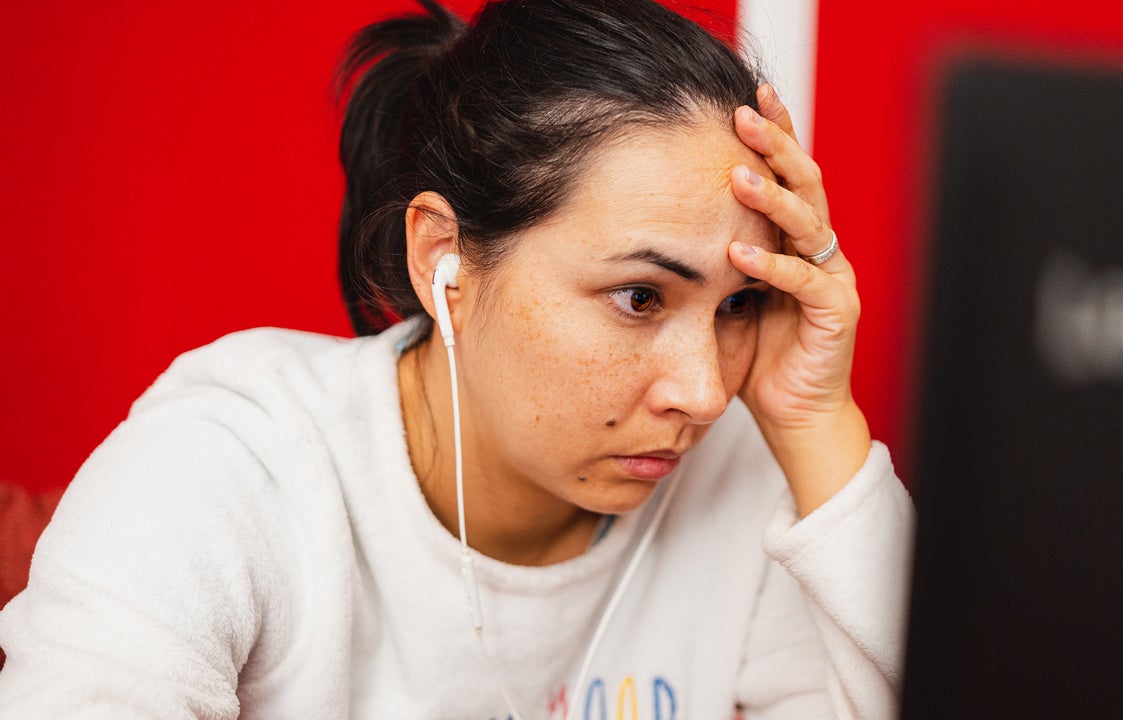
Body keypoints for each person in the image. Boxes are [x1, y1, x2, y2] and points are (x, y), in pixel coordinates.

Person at [0, 0, 914, 717]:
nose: (707, 393)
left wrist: (814, 426)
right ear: (444, 258)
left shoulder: (743, 476)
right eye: (640, 297)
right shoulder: (230, 467)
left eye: (740, 304)